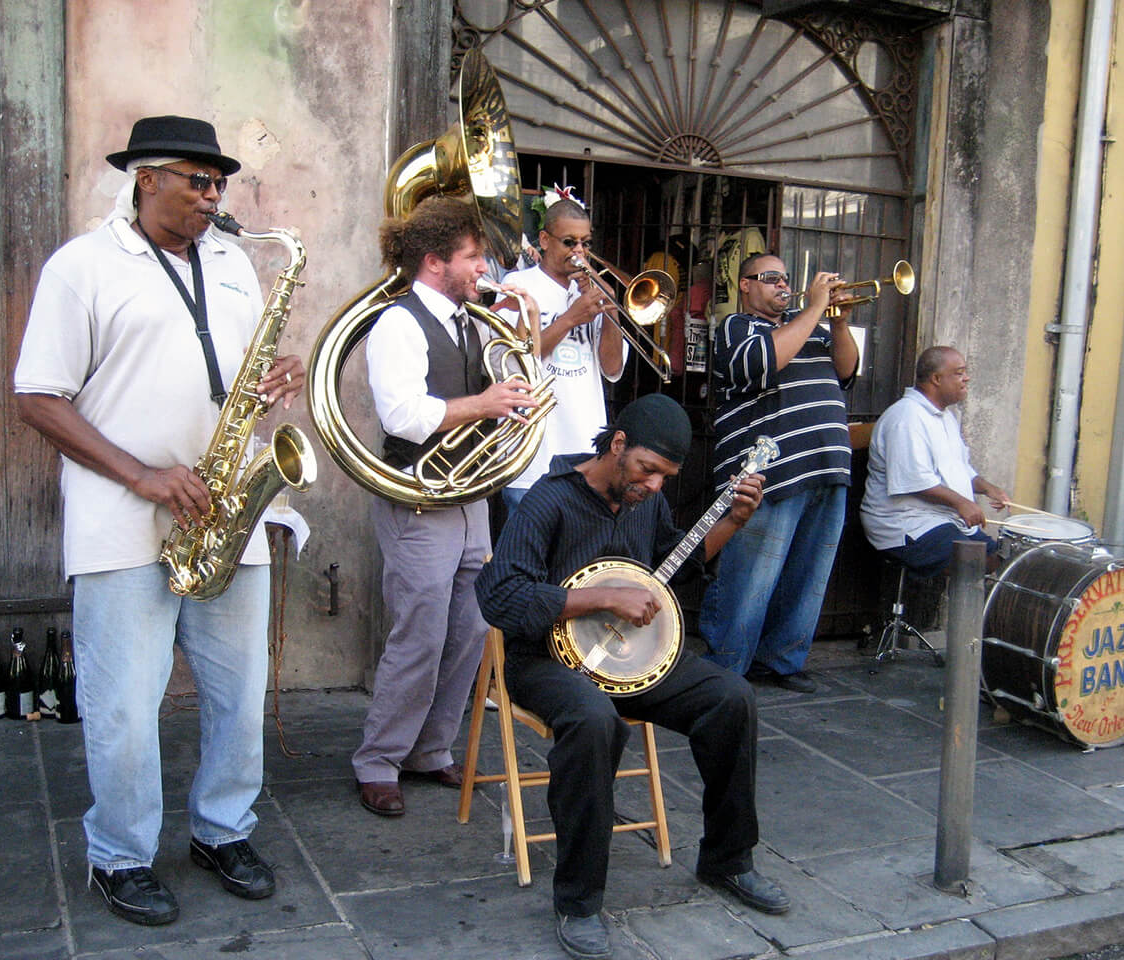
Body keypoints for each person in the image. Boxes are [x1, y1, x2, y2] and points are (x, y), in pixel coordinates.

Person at [14, 115, 302, 925]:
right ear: (147, 179)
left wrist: (280, 373)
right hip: (122, 519)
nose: (214, 197)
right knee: (125, 710)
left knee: (240, 699)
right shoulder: (82, 267)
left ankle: (222, 829)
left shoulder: (236, 264)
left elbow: (241, 368)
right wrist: (141, 474)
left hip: (226, 513)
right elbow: (36, 395)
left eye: (220, 183)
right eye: (197, 181)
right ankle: (119, 854)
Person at [476, 393, 789, 960]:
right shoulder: (548, 502)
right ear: (617, 445)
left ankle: (728, 859)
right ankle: (578, 902)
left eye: (666, 477)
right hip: (542, 661)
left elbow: (677, 566)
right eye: (647, 470)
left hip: (631, 660)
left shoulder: (646, 502)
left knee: (731, 698)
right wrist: (598, 598)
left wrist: (734, 522)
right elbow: (500, 595)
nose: (653, 486)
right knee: (596, 721)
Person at [352, 195, 540, 817]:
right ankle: (378, 760)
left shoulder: (472, 320)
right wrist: (486, 404)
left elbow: (496, 392)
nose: (483, 268)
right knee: (420, 634)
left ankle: (430, 751)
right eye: (473, 257)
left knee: (469, 631)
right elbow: (403, 416)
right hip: (419, 498)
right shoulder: (398, 323)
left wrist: (512, 394)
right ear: (435, 262)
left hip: (469, 496)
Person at [698, 252, 859, 693]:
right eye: (770, 278)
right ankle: (725, 667)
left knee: (808, 575)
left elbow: (846, 373)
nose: (782, 286)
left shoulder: (812, 327)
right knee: (749, 576)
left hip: (826, 465)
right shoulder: (737, 328)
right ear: (745, 285)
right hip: (767, 473)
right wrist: (813, 309)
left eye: (785, 278)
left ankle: (782, 661)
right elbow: (761, 364)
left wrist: (839, 322)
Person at [497, 192, 625, 513]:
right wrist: (571, 318)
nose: (579, 251)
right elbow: (514, 359)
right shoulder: (518, 285)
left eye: (586, 243)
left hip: (584, 453)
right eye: (569, 242)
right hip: (531, 455)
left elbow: (612, 368)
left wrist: (611, 313)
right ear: (544, 239)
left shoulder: (589, 292)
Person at [861, 346, 1010, 576]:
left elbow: (959, 470)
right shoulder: (906, 417)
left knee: (1005, 564)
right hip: (905, 524)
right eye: (959, 373)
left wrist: (988, 488)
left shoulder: (946, 416)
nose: (966, 378)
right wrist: (962, 503)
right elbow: (915, 482)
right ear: (937, 379)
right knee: (976, 564)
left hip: (941, 520)